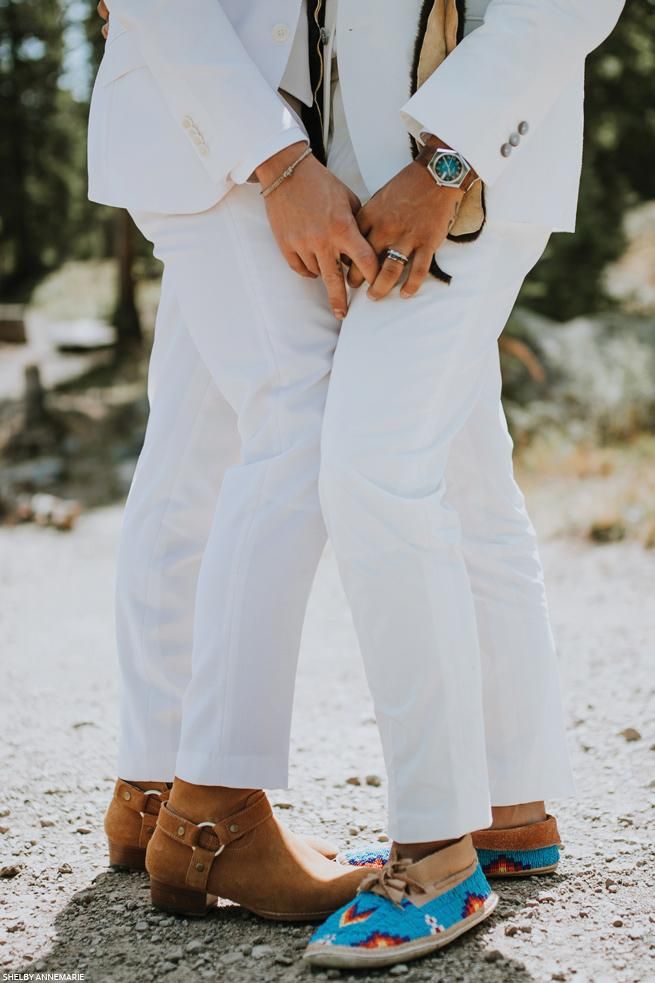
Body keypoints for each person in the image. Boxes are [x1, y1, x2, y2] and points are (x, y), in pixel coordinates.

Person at [89, 0, 624, 969]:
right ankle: (506, 807)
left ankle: (433, 852)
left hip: (449, 180)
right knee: (450, 456)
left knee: (370, 460)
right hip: (339, 159)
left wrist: (447, 161)